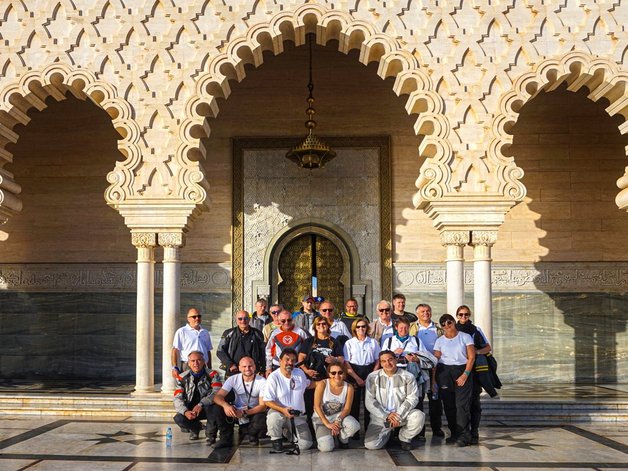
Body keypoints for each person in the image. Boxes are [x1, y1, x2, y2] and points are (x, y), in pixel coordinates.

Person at [455, 305, 500, 445]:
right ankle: (462, 431)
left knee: (475, 403)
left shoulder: (475, 330)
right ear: (457, 316)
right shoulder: (453, 330)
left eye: (466, 315)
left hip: (474, 372)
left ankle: (474, 431)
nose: (463, 317)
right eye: (461, 315)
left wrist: (476, 353)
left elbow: (487, 347)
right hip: (458, 371)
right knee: (461, 404)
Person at [364, 350, 425, 451]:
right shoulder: (373, 377)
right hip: (381, 418)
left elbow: (412, 398)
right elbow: (369, 401)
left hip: (402, 416)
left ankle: (404, 437)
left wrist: (398, 416)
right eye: (383, 361)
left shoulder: (408, 376)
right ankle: (388, 433)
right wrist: (386, 416)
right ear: (380, 363)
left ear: (396, 360)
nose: (387, 363)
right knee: (371, 445)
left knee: (418, 416)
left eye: (390, 360)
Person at [433, 313, 475, 447]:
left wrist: (465, 374)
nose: (447, 326)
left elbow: (471, 357)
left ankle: (465, 435)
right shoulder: (440, 340)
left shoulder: (465, 337)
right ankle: (454, 433)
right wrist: (434, 380)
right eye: (443, 324)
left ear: (453, 322)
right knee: (449, 405)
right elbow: (436, 360)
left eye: (449, 322)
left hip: (461, 370)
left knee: (461, 405)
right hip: (444, 372)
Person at [263, 348, 314, 452]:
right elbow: (267, 401)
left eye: (293, 360)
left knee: (306, 444)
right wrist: (283, 410)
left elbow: (309, 384)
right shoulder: (273, 377)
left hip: (297, 415)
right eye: (287, 359)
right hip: (280, 412)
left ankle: (288, 432)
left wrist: (328, 382)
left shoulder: (299, 373)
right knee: (273, 417)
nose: (290, 363)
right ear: (280, 361)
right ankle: (276, 439)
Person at [173, 351, 228, 444]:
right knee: (179, 418)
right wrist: (185, 411)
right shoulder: (181, 377)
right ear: (188, 363)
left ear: (204, 361)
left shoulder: (213, 374)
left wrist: (201, 404)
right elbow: (177, 398)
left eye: (199, 360)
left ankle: (210, 434)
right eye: (193, 361)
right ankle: (195, 428)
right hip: (191, 408)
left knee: (215, 408)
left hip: (206, 406)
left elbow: (217, 392)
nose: (196, 363)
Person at [212, 356, 268, 445]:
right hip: (235, 411)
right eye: (244, 366)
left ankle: (252, 434)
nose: (247, 369)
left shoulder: (262, 381)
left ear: (255, 367)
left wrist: (245, 413)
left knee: (261, 418)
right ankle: (226, 437)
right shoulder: (232, 379)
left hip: (252, 412)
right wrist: (226, 406)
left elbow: (263, 406)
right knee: (217, 407)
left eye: (250, 366)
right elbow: (217, 397)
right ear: (239, 368)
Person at [409, 303, 445, 438]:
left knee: (435, 399)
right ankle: (419, 431)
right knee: (417, 399)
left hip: (435, 367)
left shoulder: (438, 329)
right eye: (423, 311)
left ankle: (437, 428)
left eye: (428, 311)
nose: (426, 313)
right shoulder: (413, 327)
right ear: (417, 313)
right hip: (418, 368)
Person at [312, 363, 361, 452]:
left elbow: (347, 409)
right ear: (329, 374)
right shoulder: (322, 384)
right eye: (333, 373)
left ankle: (342, 438)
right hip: (322, 418)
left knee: (354, 426)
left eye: (340, 372)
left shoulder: (349, 387)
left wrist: (338, 421)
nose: (337, 375)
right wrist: (327, 423)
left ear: (344, 373)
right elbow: (317, 406)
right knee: (326, 448)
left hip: (339, 417)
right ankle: (329, 436)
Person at [344, 318, 380, 431]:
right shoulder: (349, 343)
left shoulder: (373, 342)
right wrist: (357, 378)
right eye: (358, 327)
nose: (361, 329)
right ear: (354, 329)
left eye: (363, 326)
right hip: (354, 372)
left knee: (369, 403)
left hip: (369, 371)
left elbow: (378, 359)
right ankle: (355, 431)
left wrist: (373, 374)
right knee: (354, 403)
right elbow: (346, 362)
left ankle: (369, 429)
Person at [216, 310, 265, 376]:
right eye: (240, 319)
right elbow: (220, 351)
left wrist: (263, 369)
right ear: (236, 320)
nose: (243, 321)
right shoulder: (228, 333)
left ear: (249, 319)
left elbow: (263, 353)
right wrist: (230, 364)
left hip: (252, 371)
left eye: (246, 318)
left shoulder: (257, 334)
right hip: (233, 371)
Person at [265, 309, 309, 376]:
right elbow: (268, 351)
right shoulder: (274, 333)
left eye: (289, 320)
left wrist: (304, 366)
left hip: (296, 366)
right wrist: (268, 368)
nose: (286, 323)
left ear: (292, 319)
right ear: (279, 321)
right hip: (278, 366)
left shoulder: (300, 332)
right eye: (283, 321)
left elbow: (308, 350)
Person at [172, 308, 213, 377]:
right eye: (194, 317)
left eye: (199, 316)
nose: (197, 318)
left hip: (203, 365)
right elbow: (175, 350)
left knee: (204, 387)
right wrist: (174, 367)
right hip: (188, 366)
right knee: (188, 386)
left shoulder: (205, 332)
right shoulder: (182, 331)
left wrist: (210, 368)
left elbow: (208, 351)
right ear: (188, 319)